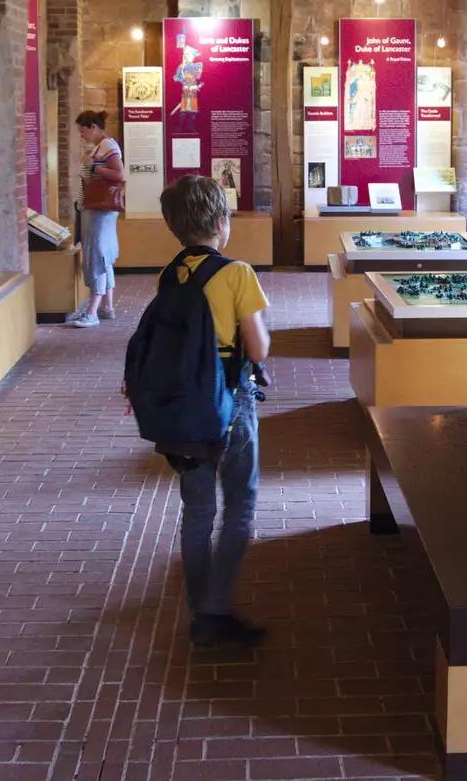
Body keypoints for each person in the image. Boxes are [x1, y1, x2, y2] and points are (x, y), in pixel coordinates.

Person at [154, 175, 271, 648]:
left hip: (184, 412)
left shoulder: (170, 275)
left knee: (197, 511)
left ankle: (199, 610)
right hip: (230, 403)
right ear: (221, 222)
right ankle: (216, 611)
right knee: (239, 506)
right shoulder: (237, 273)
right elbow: (258, 349)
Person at [70, 110, 123, 327]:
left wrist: (93, 166)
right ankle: (106, 306)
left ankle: (91, 311)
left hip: (99, 210)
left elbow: (120, 174)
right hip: (97, 209)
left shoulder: (108, 146)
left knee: (97, 256)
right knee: (103, 257)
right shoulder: (102, 146)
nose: (82, 136)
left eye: (83, 131)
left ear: (93, 127)